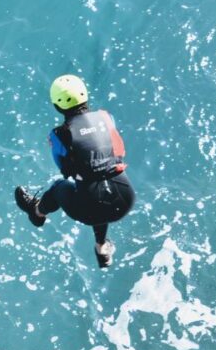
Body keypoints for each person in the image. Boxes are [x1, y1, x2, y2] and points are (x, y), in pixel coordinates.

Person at [14, 75, 135, 268]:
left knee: (62, 187)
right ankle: (102, 248)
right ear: (85, 95)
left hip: (91, 209)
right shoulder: (106, 117)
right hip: (125, 199)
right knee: (97, 187)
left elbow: (64, 169)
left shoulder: (59, 134)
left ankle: (36, 213)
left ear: (57, 106)